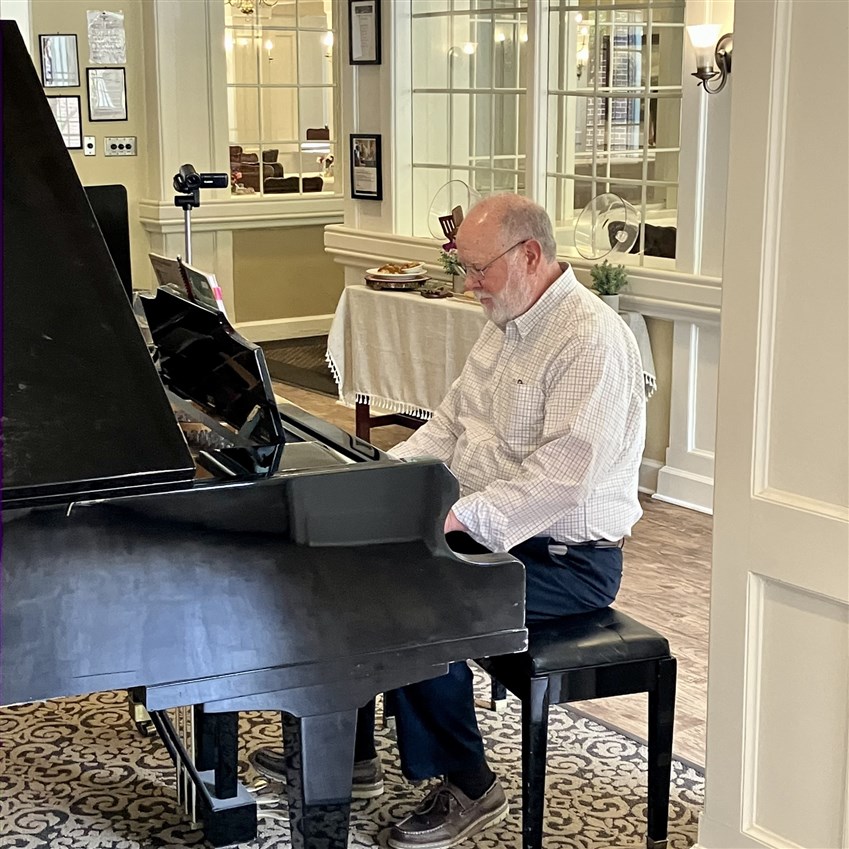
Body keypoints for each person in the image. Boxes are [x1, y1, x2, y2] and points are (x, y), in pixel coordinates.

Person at [253, 193, 647, 848]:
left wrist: (449, 520)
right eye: (463, 267)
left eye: (478, 269)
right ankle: (350, 758)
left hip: (567, 561)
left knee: (415, 601)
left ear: (529, 255)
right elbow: (446, 428)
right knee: (343, 563)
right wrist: (380, 479)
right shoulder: (505, 323)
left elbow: (559, 479)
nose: (469, 285)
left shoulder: (590, 340)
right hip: (489, 525)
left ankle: (470, 782)